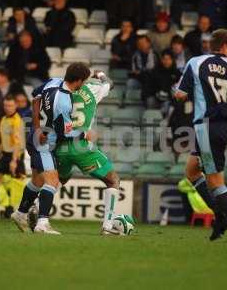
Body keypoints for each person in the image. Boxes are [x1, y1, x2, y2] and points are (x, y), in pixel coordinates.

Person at [174, 29, 227, 242]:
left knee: (215, 180)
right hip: (221, 127)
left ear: (212, 45)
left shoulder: (196, 62)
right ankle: (220, 216)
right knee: (191, 171)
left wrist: (191, 93)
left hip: (206, 126)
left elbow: (180, 94)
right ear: (225, 46)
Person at [11, 62, 91, 234]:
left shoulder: (53, 81)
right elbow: (64, 133)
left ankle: (20, 213)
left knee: (38, 181)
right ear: (77, 81)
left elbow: (35, 97)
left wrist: (37, 125)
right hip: (44, 142)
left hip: (35, 135)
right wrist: (84, 134)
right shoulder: (63, 103)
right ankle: (42, 224)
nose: (82, 85)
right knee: (52, 181)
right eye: (83, 82)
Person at [54, 71, 123, 235]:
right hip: (82, 145)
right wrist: (100, 75)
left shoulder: (59, 89)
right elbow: (110, 83)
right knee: (113, 180)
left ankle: (35, 207)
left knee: (60, 178)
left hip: (61, 146)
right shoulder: (93, 88)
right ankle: (107, 226)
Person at [0, 94, 26, 219]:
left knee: (17, 186)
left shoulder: (17, 121)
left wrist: (14, 160)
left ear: (16, 106)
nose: (8, 108)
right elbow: (5, 140)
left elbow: (17, 143)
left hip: (16, 155)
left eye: (10, 105)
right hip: (5, 154)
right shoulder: (3, 119)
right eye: (6, 105)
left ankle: (16, 211)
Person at [126, 35, 157, 106]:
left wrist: (141, 72)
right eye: (139, 44)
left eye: (143, 43)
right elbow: (132, 72)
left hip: (151, 81)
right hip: (139, 80)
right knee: (130, 82)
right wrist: (143, 72)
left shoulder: (155, 55)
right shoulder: (134, 55)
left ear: (149, 43)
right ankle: (130, 103)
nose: (142, 45)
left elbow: (155, 71)